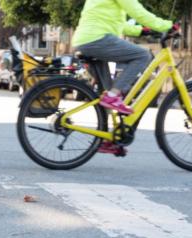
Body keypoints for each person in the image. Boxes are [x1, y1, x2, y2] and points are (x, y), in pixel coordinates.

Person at [71, 0, 177, 154]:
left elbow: (120, 24)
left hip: (86, 40)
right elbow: (138, 12)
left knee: (105, 93)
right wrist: (167, 26)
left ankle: (107, 139)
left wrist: (142, 31)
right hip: (97, 39)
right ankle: (113, 95)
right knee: (142, 55)